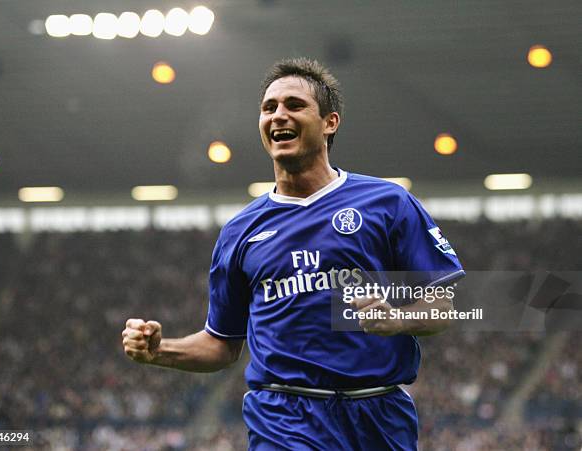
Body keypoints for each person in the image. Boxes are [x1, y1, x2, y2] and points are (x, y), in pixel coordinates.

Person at [122, 58, 464, 450]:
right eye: (269, 108)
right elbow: (222, 343)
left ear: (330, 122)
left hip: (378, 417)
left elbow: (443, 306)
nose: (278, 115)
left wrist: (398, 320)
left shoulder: (386, 203)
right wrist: (159, 351)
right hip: (283, 419)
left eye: (294, 105)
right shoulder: (241, 231)